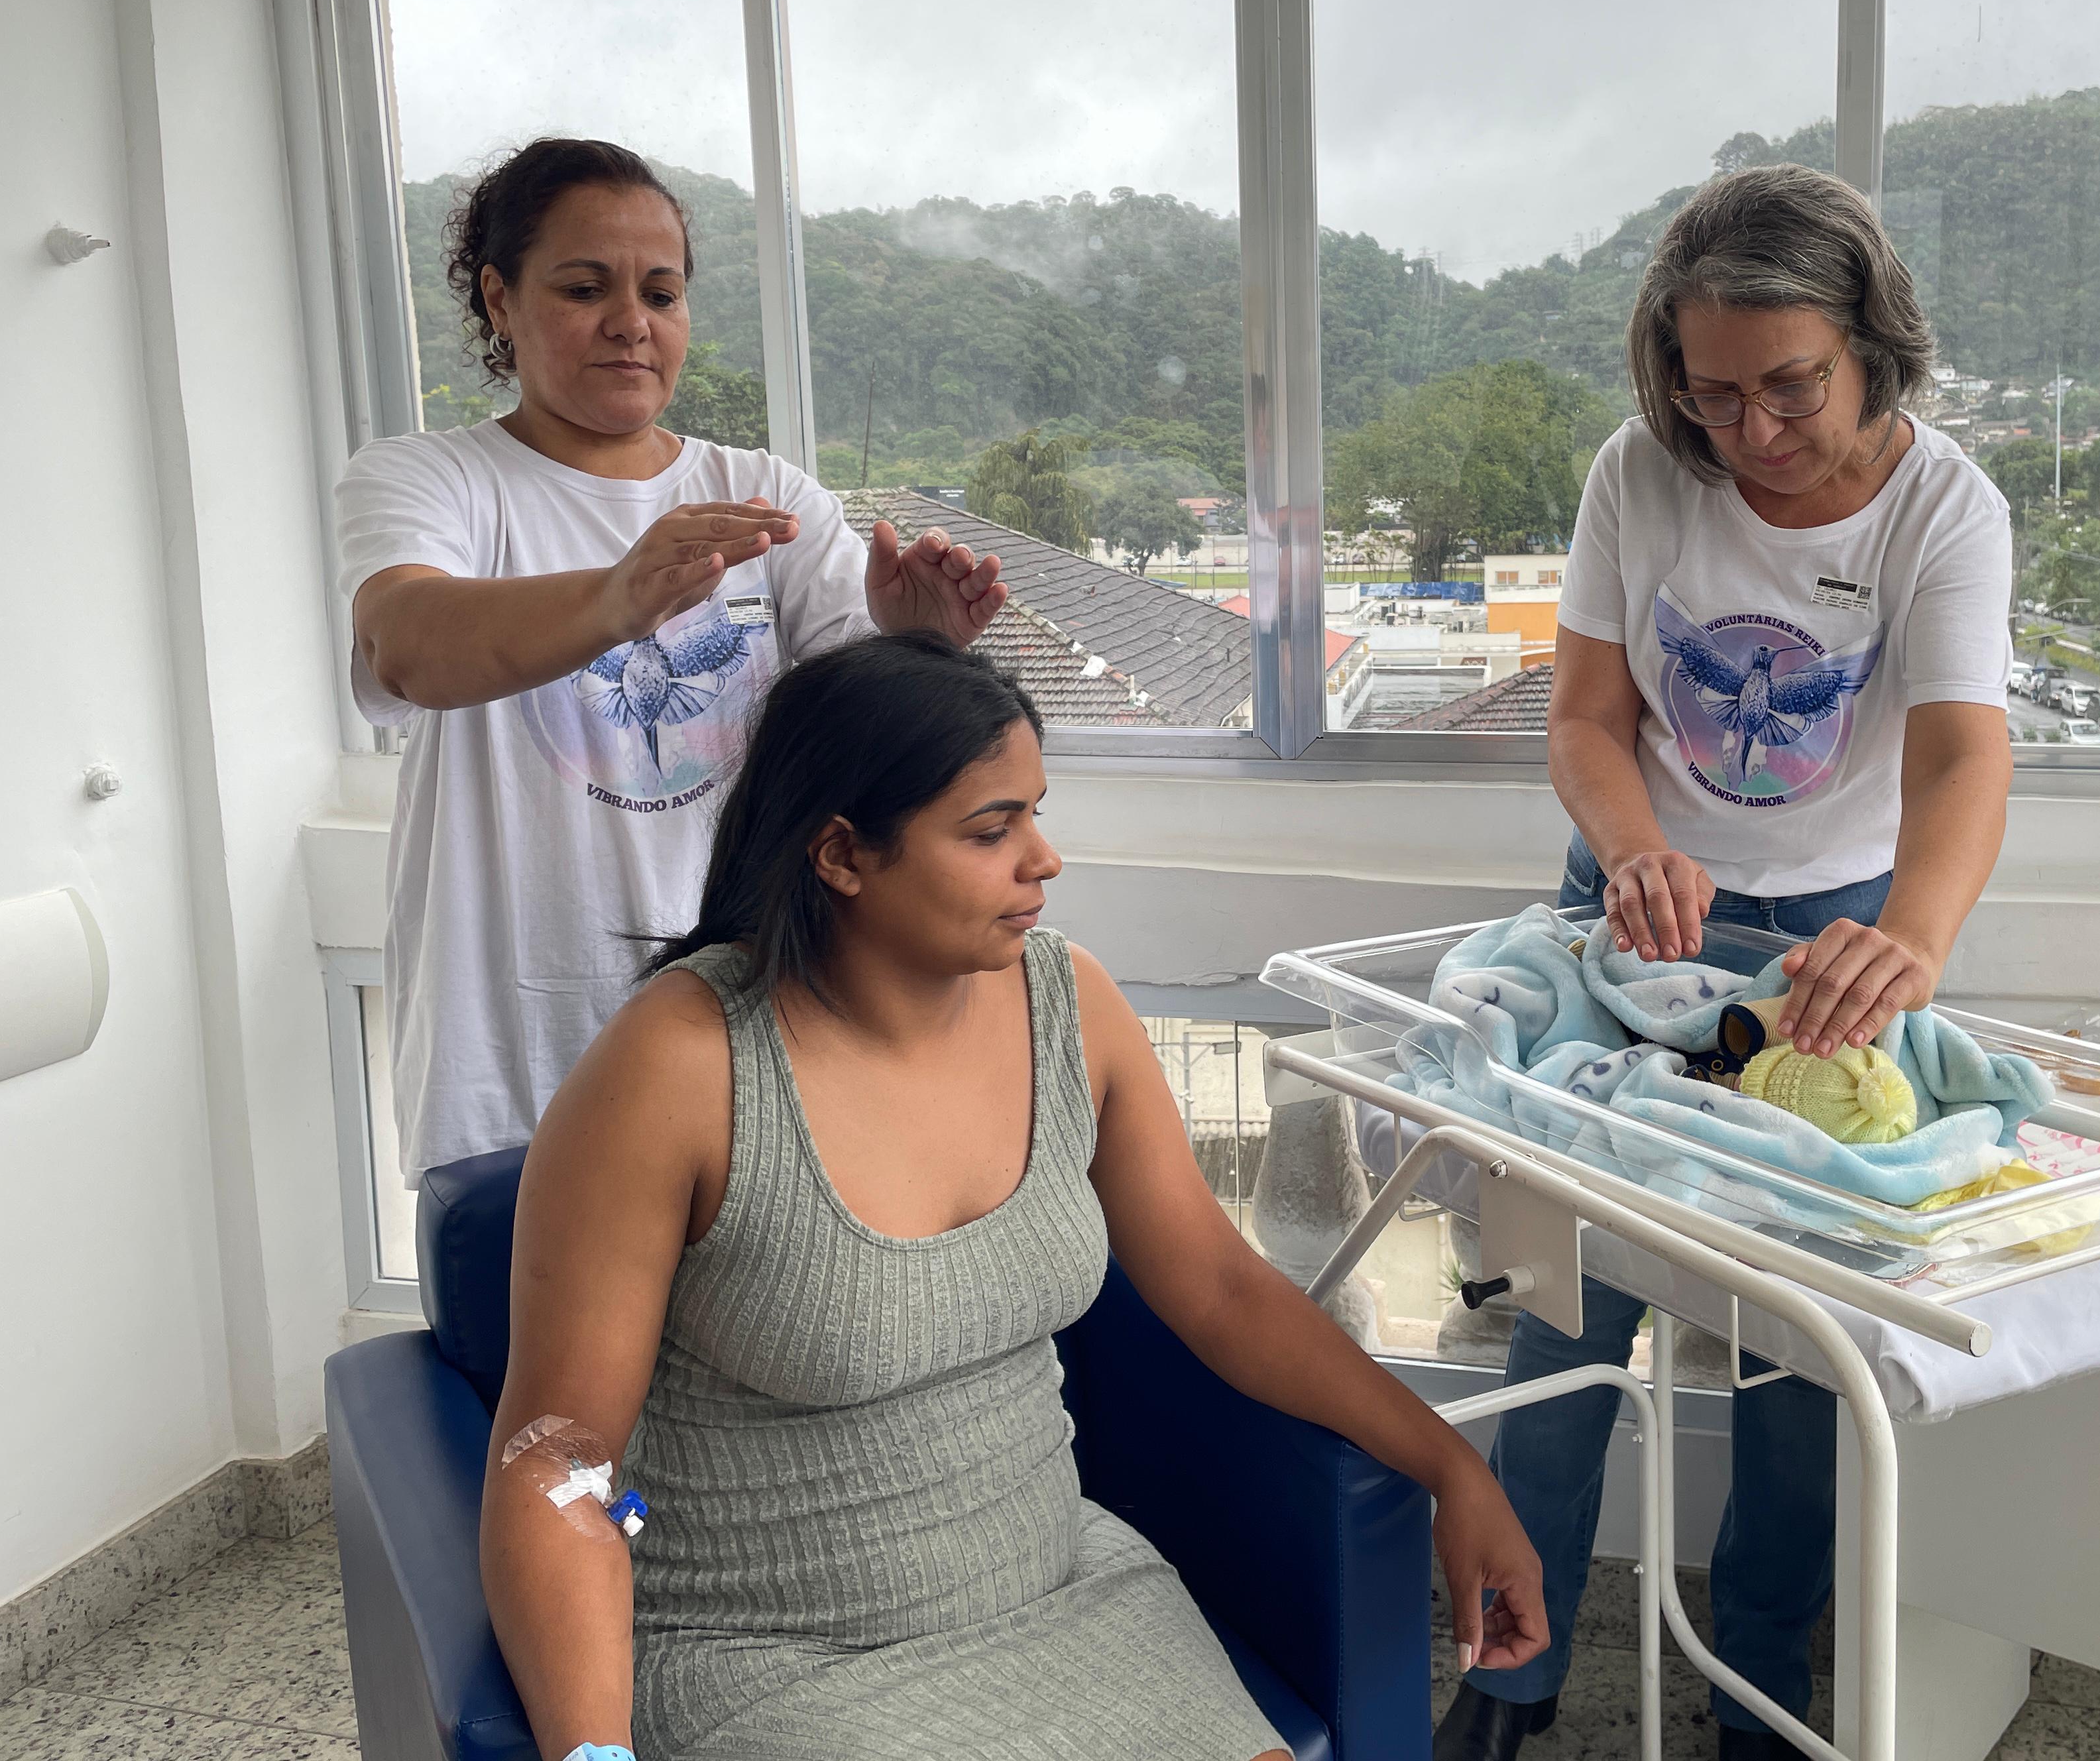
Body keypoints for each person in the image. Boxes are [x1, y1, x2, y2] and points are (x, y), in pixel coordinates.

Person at [481, 632, 1551, 1760]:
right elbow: (556, 1456)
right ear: (842, 854)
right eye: (991, 831)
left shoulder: (1070, 1005)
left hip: (1066, 1592)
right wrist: (593, 1754)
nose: (1044, 861)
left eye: (1035, 815)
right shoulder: (678, 1070)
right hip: (769, 1655)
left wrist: (1451, 1466)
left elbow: (1225, 1291)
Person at [1432, 165, 2014, 1761]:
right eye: (1713, 394)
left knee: (1801, 1355)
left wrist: (1912, 942)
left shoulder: (1946, 509)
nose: (1752, 432)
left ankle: (1759, 1695)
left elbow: (1963, 755)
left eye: (1791, 388)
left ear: (1871, 347)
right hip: (1636, 908)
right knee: (1563, 1311)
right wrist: (1633, 849)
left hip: (1841, 933)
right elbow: (1586, 719)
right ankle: (1510, 1677)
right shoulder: (1643, 472)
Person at [335, 137, 1007, 1181]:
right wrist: (620, 597)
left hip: (745, 1038)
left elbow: (859, 752)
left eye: (661, 292)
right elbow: (408, 645)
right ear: (499, 299)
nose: (631, 322)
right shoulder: (431, 480)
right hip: (506, 1060)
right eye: (584, 288)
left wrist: (914, 643)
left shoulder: (762, 493)